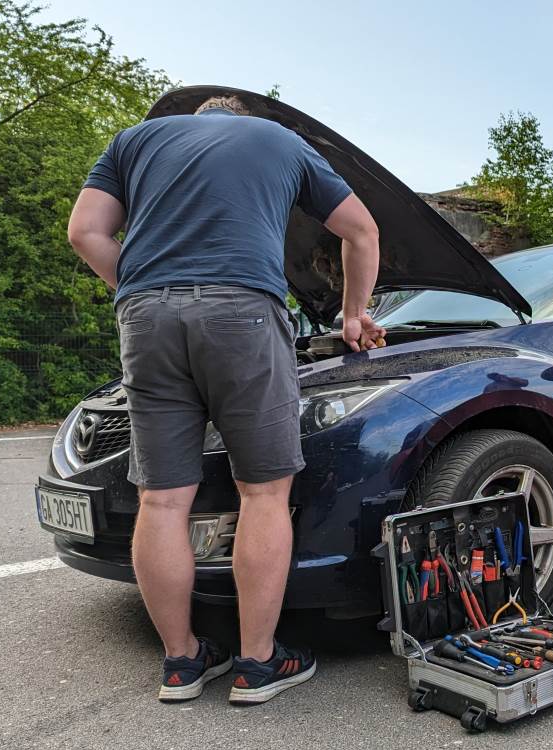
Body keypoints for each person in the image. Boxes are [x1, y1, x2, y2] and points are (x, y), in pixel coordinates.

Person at [67, 93, 385, 704]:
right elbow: (362, 230)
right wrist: (352, 315)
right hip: (243, 311)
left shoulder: (135, 140)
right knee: (263, 491)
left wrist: (137, 287)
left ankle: (182, 664)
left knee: (161, 500)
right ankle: (257, 666)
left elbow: (85, 232)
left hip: (145, 318)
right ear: (239, 119)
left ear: (197, 120)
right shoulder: (281, 141)